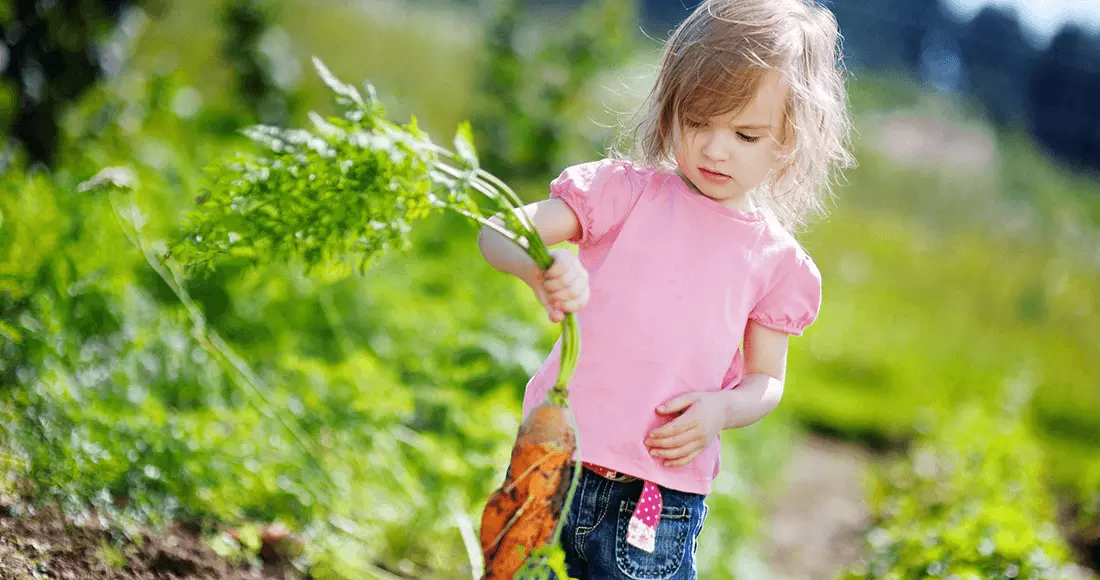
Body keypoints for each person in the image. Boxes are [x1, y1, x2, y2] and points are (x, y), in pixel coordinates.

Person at [477, 0, 853, 577]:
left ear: (790, 138)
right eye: (697, 122)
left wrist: (722, 408)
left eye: (745, 134)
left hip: (659, 498)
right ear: (669, 108)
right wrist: (541, 266)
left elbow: (767, 380)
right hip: (555, 461)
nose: (714, 148)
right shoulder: (626, 195)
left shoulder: (776, 262)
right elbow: (498, 233)